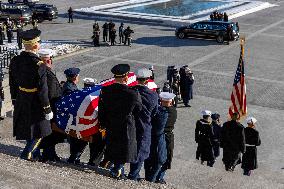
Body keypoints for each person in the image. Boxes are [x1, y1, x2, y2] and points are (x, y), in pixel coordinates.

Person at [9, 29, 53, 161]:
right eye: (39, 42)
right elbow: (43, 90)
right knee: (41, 130)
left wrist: (15, 99)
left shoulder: (16, 60)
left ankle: (35, 154)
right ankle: (28, 152)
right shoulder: (39, 65)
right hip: (35, 100)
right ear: (35, 45)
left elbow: (12, 82)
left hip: (22, 96)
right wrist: (47, 108)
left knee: (29, 127)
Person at [98, 64, 142, 179]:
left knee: (113, 148)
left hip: (111, 125)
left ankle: (118, 171)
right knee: (123, 150)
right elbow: (139, 110)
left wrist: (103, 124)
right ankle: (116, 171)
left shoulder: (105, 90)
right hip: (126, 126)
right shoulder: (132, 93)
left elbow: (101, 110)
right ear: (126, 77)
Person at [128, 68, 159, 181]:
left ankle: (118, 170)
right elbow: (154, 112)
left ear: (137, 79)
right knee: (141, 151)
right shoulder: (153, 95)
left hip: (130, 124)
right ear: (147, 80)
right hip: (144, 126)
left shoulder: (130, 91)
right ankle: (133, 175)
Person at [37, 49, 65, 162]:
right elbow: (50, 93)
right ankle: (47, 155)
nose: (50, 62)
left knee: (51, 133)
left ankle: (51, 153)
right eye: (49, 60)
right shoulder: (45, 73)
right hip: (50, 106)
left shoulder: (45, 71)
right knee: (49, 132)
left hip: (49, 105)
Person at [144, 92, 173, 182]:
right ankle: (155, 178)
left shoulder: (155, 110)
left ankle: (149, 177)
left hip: (150, 136)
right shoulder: (171, 112)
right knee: (162, 159)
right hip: (163, 138)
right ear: (171, 102)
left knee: (149, 158)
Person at [155, 92, 177, 184]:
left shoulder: (158, 110)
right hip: (167, 137)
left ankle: (156, 176)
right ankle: (159, 177)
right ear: (171, 101)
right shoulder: (173, 111)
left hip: (157, 136)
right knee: (166, 158)